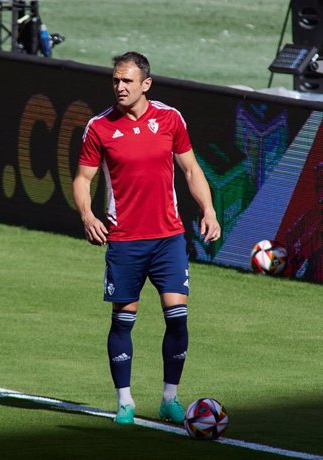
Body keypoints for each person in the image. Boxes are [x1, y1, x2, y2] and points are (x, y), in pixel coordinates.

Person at [72, 51, 221, 425]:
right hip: (124, 241)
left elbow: (190, 168)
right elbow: (82, 179)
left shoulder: (170, 119)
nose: (120, 87)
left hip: (168, 238)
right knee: (124, 320)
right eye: (116, 81)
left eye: (127, 81)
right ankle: (125, 402)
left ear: (145, 85)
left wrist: (209, 210)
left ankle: (170, 398)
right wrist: (88, 215)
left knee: (178, 317)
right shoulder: (100, 127)